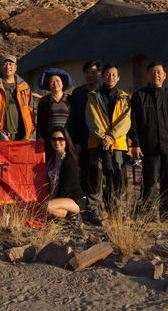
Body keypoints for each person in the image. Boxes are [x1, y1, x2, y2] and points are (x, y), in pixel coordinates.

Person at [128, 62, 168, 219]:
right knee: (150, 180)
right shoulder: (139, 95)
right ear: (147, 75)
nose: (156, 75)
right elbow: (133, 122)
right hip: (149, 145)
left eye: (159, 72)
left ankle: (167, 211)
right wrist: (135, 143)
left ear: (165, 76)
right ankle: (149, 213)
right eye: (152, 72)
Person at [85, 64, 131, 216]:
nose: (110, 77)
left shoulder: (124, 97)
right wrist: (103, 137)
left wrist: (111, 137)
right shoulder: (93, 96)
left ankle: (118, 211)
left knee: (118, 177)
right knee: (95, 176)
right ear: (102, 76)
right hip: (96, 142)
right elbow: (91, 118)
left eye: (113, 75)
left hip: (117, 144)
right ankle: (95, 211)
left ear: (118, 78)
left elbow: (126, 121)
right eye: (107, 74)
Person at [66, 60, 103, 223]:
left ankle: (96, 208)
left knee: (97, 174)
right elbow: (73, 119)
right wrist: (75, 142)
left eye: (94, 72)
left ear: (99, 74)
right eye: (88, 72)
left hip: (99, 141)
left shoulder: (103, 91)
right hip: (82, 140)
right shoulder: (78, 93)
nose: (90, 75)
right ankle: (82, 208)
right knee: (83, 174)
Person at [0, 55, 34, 141]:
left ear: (16, 67)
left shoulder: (24, 87)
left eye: (10, 64)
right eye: (4, 64)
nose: (8, 67)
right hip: (1, 134)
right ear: (0, 68)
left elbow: (30, 108)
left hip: (23, 134)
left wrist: (30, 128)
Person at [45, 126, 85, 221]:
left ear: (66, 141)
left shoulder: (69, 161)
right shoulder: (50, 160)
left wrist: (54, 201)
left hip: (74, 200)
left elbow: (65, 187)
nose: (57, 142)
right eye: (54, 139)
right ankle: (69, 219)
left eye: (61, 139)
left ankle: (77, 218)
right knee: (43, 208)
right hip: (60, 199)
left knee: (47, 207)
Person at [35, 68, 73, 143]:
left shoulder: (70, 99)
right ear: (48, 85)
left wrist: (76, 142)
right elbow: (40, 121)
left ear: (62, 83)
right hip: (50, 139)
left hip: (68, 139)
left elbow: (76, 121)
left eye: (58, 81)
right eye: (52, 81)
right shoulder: (44, 100)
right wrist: (40, 137)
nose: (55, 83)